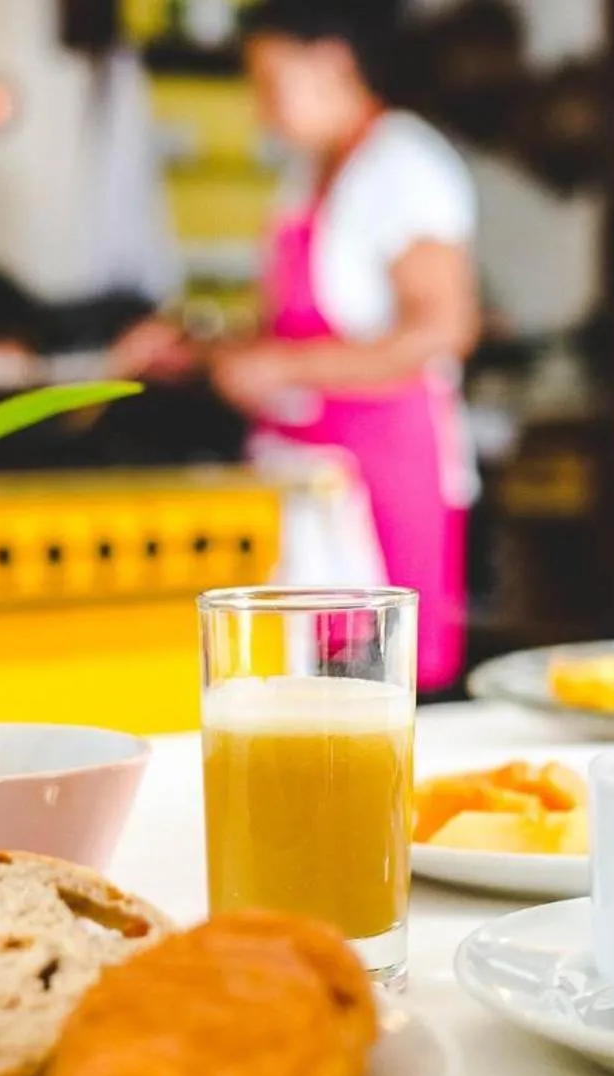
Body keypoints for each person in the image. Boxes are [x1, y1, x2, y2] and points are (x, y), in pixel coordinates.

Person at [114, 0, 481, 692]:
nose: (261, 109)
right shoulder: (307, 172)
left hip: (378, 467)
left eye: (270, 82)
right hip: (305, 470)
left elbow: (442, 326)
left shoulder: (403, 164)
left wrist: (283, 366)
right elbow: (284, 326)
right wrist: (196, 349)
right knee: (304, 683)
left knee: (378, 682)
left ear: (334, 62)